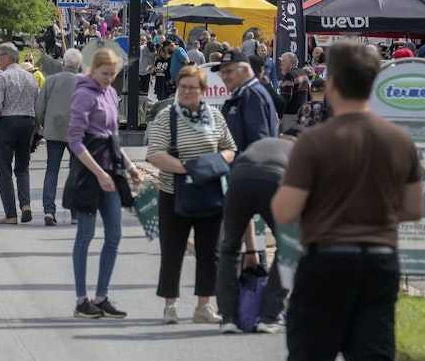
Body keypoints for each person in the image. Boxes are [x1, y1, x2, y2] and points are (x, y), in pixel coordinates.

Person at [273, 41, 422, 361]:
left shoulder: (315, 141)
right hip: (380, 263)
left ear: (333, 82)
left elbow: (284, 210)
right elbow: (414, 208)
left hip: (327, 262)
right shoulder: (399, 140)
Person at [146, 64, 236, 325]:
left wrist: (214, 165)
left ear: (203, 91)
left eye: (192, 88)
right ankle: (170, 306)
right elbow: (154, 154)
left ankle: (203, 306)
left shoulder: (215, 117)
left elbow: (230, 148)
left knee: (210, 252)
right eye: (182, 87)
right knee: (172, 252)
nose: (186, 91)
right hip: (174, 193)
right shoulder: (166, 117)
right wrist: (189, 169)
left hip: (210, 193)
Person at [66, 49, 142, 319]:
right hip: (89, 174)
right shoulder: (84, 93)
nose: (110, 79)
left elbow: (113, 136)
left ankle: (101, 297)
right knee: (85, 236)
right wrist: (99, 173)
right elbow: (74, 141)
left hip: (111, 172)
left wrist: (131, 167)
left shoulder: (110, 92)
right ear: (93, 70)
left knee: (114, 235)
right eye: (105, 74)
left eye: (114, 74)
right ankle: (81, 300)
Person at [215, 132, 296, 334]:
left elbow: (248, 213)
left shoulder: (262, 144)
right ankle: (268, 317)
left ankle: (228, 318)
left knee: (229, 248)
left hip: (239, 179)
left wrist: (251, 251)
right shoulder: (301, 152)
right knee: (288, 250)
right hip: (275, 179)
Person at [0, 42, 40, 225]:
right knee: (22, 168)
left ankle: (10, 214)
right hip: (27, 122)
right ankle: (25, 204)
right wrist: (36, 128)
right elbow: (38, 104)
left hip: (7, 123)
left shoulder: (3, 78)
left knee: (4, 170)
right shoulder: (31, 78)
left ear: (8, 57)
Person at [35, 49, 82, 226]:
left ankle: (49, 209)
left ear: (63, 63)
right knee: (76, 171)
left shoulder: (51, 81)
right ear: (78, 66)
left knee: (51, 170)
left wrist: (42, 126)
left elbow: (39, 107)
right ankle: (75, 213)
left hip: (54, 130)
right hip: (77, 132)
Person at [215, 49, 279, 155]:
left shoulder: (251, 94)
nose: (224, 77)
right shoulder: (246, 93)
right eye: (221, 73)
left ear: (245, 70)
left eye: (228, 71)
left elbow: (258, 144)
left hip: (250, 168)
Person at [277, 53, 311, 129]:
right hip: (302, 114)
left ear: (292, 63)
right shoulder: (303, 74)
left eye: (284, 61)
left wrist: (280, 114)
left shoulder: (289, 75)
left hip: (290, 115)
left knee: (288, 138)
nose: (281, 63)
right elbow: (308, 95)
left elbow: (286, 98)